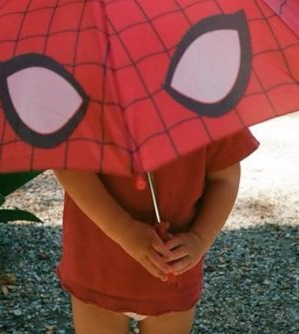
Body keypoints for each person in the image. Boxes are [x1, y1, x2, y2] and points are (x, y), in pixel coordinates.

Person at [54, 128, 259, 333]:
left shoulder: (209, 102)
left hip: (174, 269)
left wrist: (199, 239)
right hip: (97, 266)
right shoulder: (89, 101)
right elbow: (67, 167)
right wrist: (126, 230)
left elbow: (225, 179)